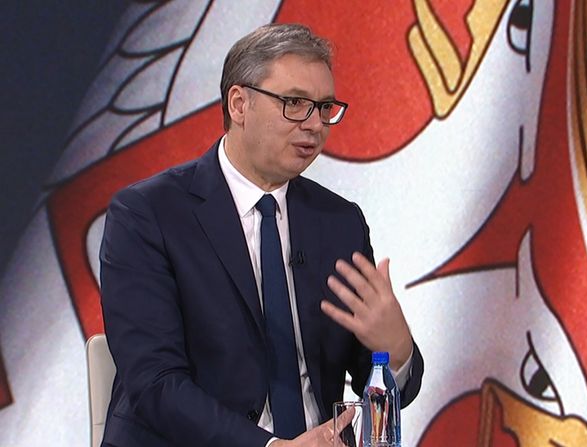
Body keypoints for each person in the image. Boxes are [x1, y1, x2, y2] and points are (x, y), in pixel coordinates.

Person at [99, 23, 423, 447]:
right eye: (295, 103)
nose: (315, 124)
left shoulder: (339, 222)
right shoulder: (148, 214)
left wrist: (396, 352)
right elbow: (156, 385)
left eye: (325, 107)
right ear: (239, 104)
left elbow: (373, 381)